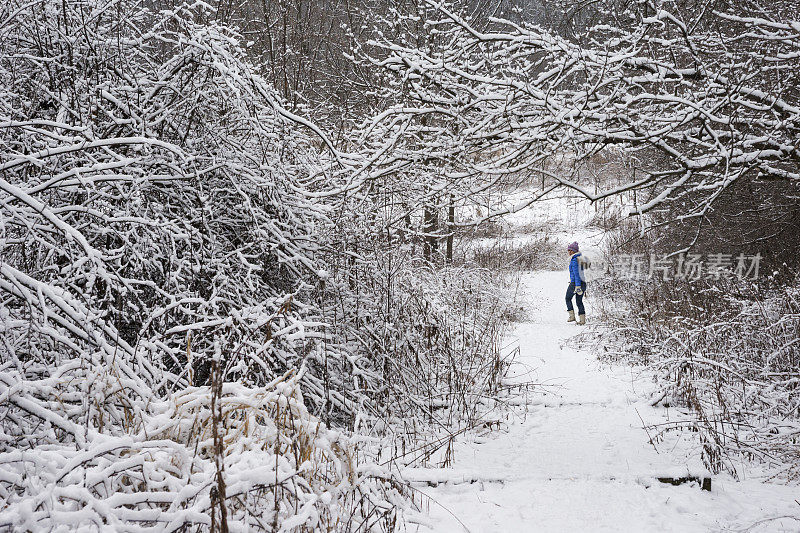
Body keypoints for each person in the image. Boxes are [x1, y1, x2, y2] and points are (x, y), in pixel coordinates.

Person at [566, 241, 588, 325]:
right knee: (579, 301)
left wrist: (577, 285)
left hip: (576, 283)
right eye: (569, 250)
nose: (569, 252)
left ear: (575, 251)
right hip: (583, 283)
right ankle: (582, 320)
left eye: (571, 250)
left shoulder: (574, 260)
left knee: (567, 298)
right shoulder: (581, 258)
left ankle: (572, 317)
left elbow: (577, 273)